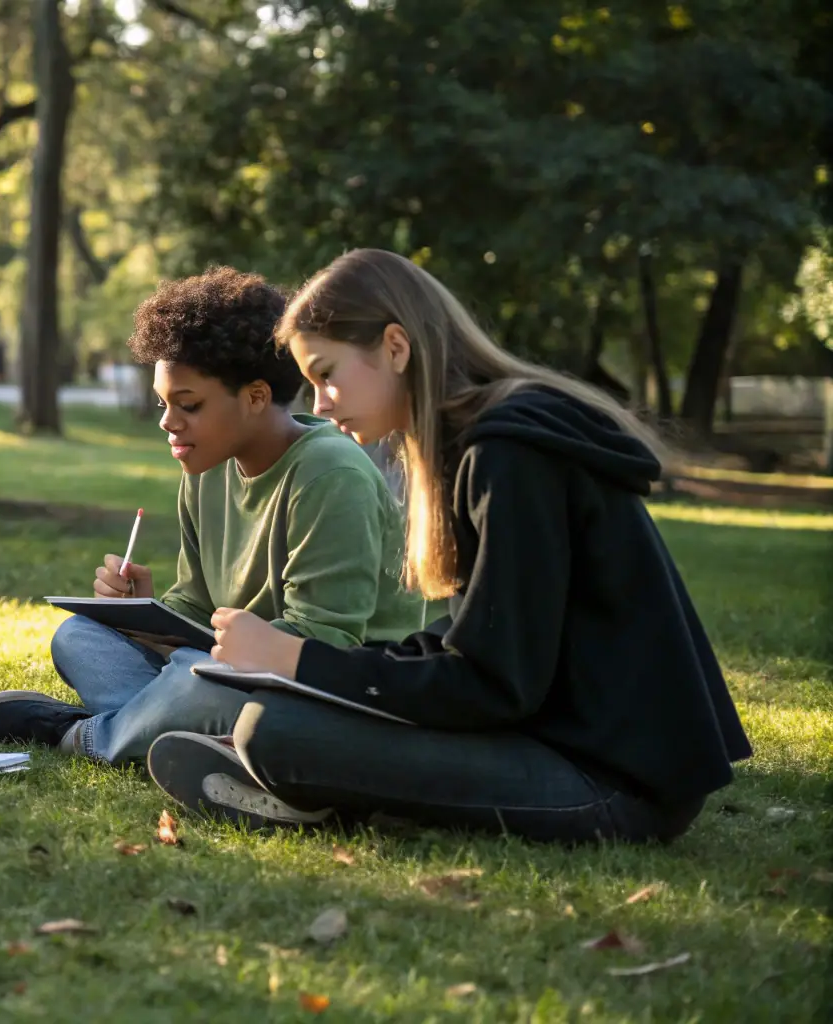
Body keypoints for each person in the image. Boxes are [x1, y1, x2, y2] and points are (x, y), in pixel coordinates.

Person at [147, 248, 751, 843]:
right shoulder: (477, 447)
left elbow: (492, 685)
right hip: (551, 737)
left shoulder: (509, 456)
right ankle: (317, 784)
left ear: (395, 347)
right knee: (284, 721)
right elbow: (476, 647)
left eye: (326, 375)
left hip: (610, 779)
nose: (321, 406)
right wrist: (314, 672)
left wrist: (292, 659)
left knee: (273, 732)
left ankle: (312, 791)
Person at [0, 266, 432, 762]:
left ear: (255, 397)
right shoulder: (207, 467)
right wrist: (146, 615)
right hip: (224, 669)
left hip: (318, 685)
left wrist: (199, 659)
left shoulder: (330, 472)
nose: (168, 422)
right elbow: (197, 606)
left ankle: (80, 734)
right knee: (80, 636)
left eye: (187, 404)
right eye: (163, 403)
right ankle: (162, 726)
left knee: (195, 679)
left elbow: (327, 642)